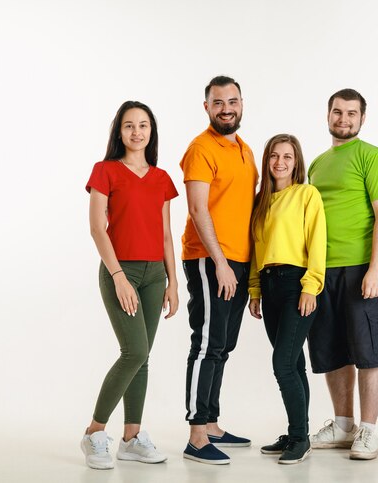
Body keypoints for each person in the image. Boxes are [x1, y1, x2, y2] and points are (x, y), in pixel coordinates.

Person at [81, 101, 179, 470]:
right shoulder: (105, 171)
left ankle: (131, 438)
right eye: (128, 126)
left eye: (143, 125)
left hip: (155, 275)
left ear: (151, 131)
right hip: (120, 271)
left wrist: (173, 283)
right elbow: (96, 227)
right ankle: (94, 432)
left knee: (143, 358)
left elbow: (166, 235)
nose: (136, 132)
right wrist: (119, 275)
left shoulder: (161, 178)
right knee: (134, 352)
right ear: (118, 132)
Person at [308, 89, 378, 460]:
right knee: (332, 350)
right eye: (337, 112)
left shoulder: (372, 158)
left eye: (351, 113)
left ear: (362, 119)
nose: (343, 119)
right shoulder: (315, 164)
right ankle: (344, 425)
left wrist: (376, 268)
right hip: (322, 270)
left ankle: (368, 431)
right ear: (327, 115)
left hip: (362, 268)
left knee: (370, 351)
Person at [180, 75, 258, 465]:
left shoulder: (244, 148)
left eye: (233, 101)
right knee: (207, 341)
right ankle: (196, 435)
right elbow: (198, 209)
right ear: (207, 107)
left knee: (223, 344)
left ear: (241, 103)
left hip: (240, 261)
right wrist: (221, 263)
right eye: (218, 102)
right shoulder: (200, 148)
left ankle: (211, 422)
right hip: (210, 259)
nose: (226, 108)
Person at [248, 134, 327, 465]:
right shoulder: (261, 201)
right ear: (266, 161)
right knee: (293, 364)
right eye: (274, 156)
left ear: (297, 162)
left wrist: (311, 286)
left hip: (297, 284)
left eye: (288, 157)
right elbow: (256, 249)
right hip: (269, 286)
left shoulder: (306, 194)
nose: (280, 162)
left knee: (282, 363)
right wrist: (254, 289)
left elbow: (317, 242)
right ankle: (300, 434)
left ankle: (299, 438)